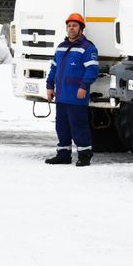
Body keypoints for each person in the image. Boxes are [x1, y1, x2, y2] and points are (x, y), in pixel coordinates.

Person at [45, 13, 99, 167]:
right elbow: (53, 68)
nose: (71, 28)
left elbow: (92, 71)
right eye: (69, 26)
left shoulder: (88, 48)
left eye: (75, 25)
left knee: (78, 125)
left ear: (81, 29)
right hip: (61, 96)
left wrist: (83, 87)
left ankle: (84, 155)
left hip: (77, 96)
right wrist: (49, 86)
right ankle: (63, 155)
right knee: (61, 126)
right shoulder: (61, 47)